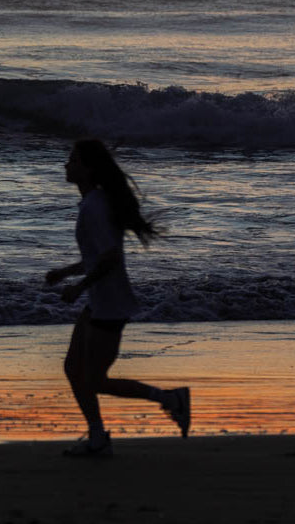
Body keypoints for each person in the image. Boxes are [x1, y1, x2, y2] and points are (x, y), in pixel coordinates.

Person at [45, 138, 190, 457]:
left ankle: (171, 400)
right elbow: (98, 258)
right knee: (73, 369)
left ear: (88, 169)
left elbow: (109, 259)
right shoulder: (92, 203)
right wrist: (66, 272)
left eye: (73, 160)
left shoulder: (95, 207)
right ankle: (97, 436)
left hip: (109, 304)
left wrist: (79, 287)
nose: (66, 165)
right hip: (100, 301)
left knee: (95, 380)